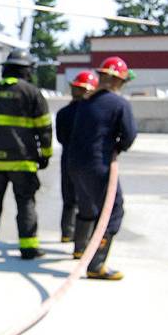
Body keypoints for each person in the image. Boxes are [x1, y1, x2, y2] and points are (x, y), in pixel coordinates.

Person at [0, 49, 53, 260]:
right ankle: (28, 249)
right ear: (27, 70)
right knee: (25, 203)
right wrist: (45, 155)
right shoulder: (32, 93)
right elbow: (44, 128)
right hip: (22, 163)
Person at [67, 56, 137, 280]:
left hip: (75, 165)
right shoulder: (119, 104)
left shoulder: (85, 101)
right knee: (113, 211)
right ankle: (96, 264)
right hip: (99, 165)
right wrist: (117, 146)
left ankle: (81, 249)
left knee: (89, 207)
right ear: (119, 81)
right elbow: (129, 136)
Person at [56, 70, 99, 242]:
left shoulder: (63, 113)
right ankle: (82, 238)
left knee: (68, 197)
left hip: (68, 157)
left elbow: (60, 138)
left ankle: (67, 233)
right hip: (87, 160)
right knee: (87, 200)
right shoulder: (93, 113)